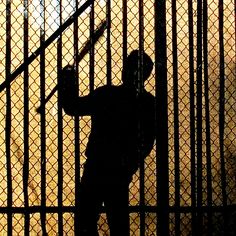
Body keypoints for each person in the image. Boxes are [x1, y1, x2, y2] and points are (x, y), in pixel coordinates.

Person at [60, 50, 155, 236]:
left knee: (88, 221)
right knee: (114, 223)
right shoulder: (145, 102)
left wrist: (68, 80)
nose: (127, 71)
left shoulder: (109, 95)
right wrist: (130, 163)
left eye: (131, 68)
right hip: (116, 170)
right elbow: (147, 142)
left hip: (101, 168)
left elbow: (72, 107)